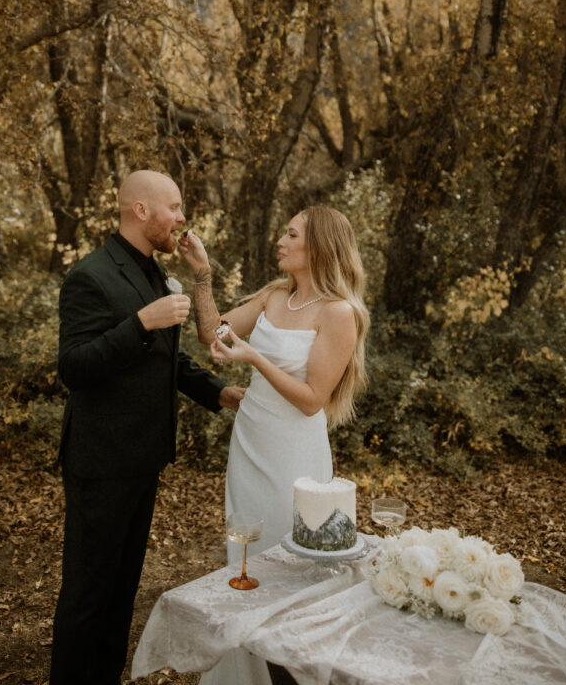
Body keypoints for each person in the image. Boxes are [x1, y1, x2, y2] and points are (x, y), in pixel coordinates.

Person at [49, 169, 244, 685]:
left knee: (121, 590)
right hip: (101, 460)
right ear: (140, 211)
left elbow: (169, 358)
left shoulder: (155, 271)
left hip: (143, 456)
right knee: (88, 595)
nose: (182, 217)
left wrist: (217, 393)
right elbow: (73, 367)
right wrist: (140, 324)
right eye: (174, 207)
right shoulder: (90, 274)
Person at [179, 205, 369, 685]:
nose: (280, 241)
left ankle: (293, 671)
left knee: (292, 568)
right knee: (248, 559)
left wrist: (255, 358)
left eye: (291, 234)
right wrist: (202, 274)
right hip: (250, 444)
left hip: (294, 455)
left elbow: (311, 401)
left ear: (319, 247)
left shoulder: (339, 313)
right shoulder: (273, 295)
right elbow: (211, 333)